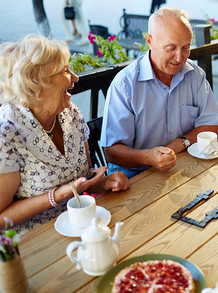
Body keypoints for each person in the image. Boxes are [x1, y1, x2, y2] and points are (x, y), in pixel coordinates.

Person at [0, 35, 129, 234]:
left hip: (79, 225)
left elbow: (83, 178)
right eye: (65, 71)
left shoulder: (70, 113)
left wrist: (104, 183)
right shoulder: (6, 132)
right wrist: (57, 195)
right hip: (33, 243)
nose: (75, 78)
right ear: (36, 83)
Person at [100, 7, 218, 178]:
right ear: (149, 41)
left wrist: (182, 142)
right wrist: (148, 157)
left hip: (181, 164)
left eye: (186, 48)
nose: (179, 57)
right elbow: (112, 152)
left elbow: (216, 125)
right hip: (132, 175)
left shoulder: (194, 74)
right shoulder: (125, 84)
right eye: (171, 48)